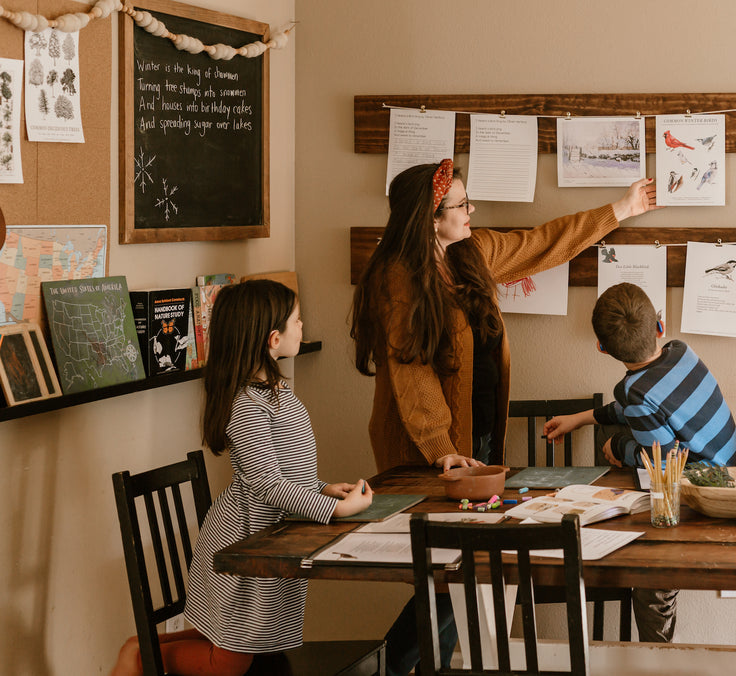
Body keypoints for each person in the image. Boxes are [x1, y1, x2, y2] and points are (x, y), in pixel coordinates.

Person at [350, 161, 659, 675]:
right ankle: (393, 666)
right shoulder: (397, 280)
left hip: (482, 437)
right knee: (451, 569)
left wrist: (620, 210)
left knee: (471, 566)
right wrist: (439, 447)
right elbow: (412, 374)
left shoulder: (471, 252)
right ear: (429, 218)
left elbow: (541, 242)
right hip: (428, 450)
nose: (471, 212)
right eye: (461, 206)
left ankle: (414, 665)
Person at [112, 280, 373, 676]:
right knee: (230, 660)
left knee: (239, 642)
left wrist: (322, 488)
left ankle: (144, 645)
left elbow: (286, 467)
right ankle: (143, 655)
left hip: (269, 540)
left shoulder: (277, 391)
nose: (303, 326)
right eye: (297, 321)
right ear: (273, 339)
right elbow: (266, 483)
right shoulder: (248, 405)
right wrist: (332, 511)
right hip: (245, 544)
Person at [543, 282, 736, 642]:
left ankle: (658, 657)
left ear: (601, 348)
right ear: (660, 326)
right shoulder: (680, 352)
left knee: (650, 578)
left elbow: (662, 466)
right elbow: (641, 407)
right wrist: (582, 417)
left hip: (710, 493)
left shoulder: (635, 392)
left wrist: (618, 448)